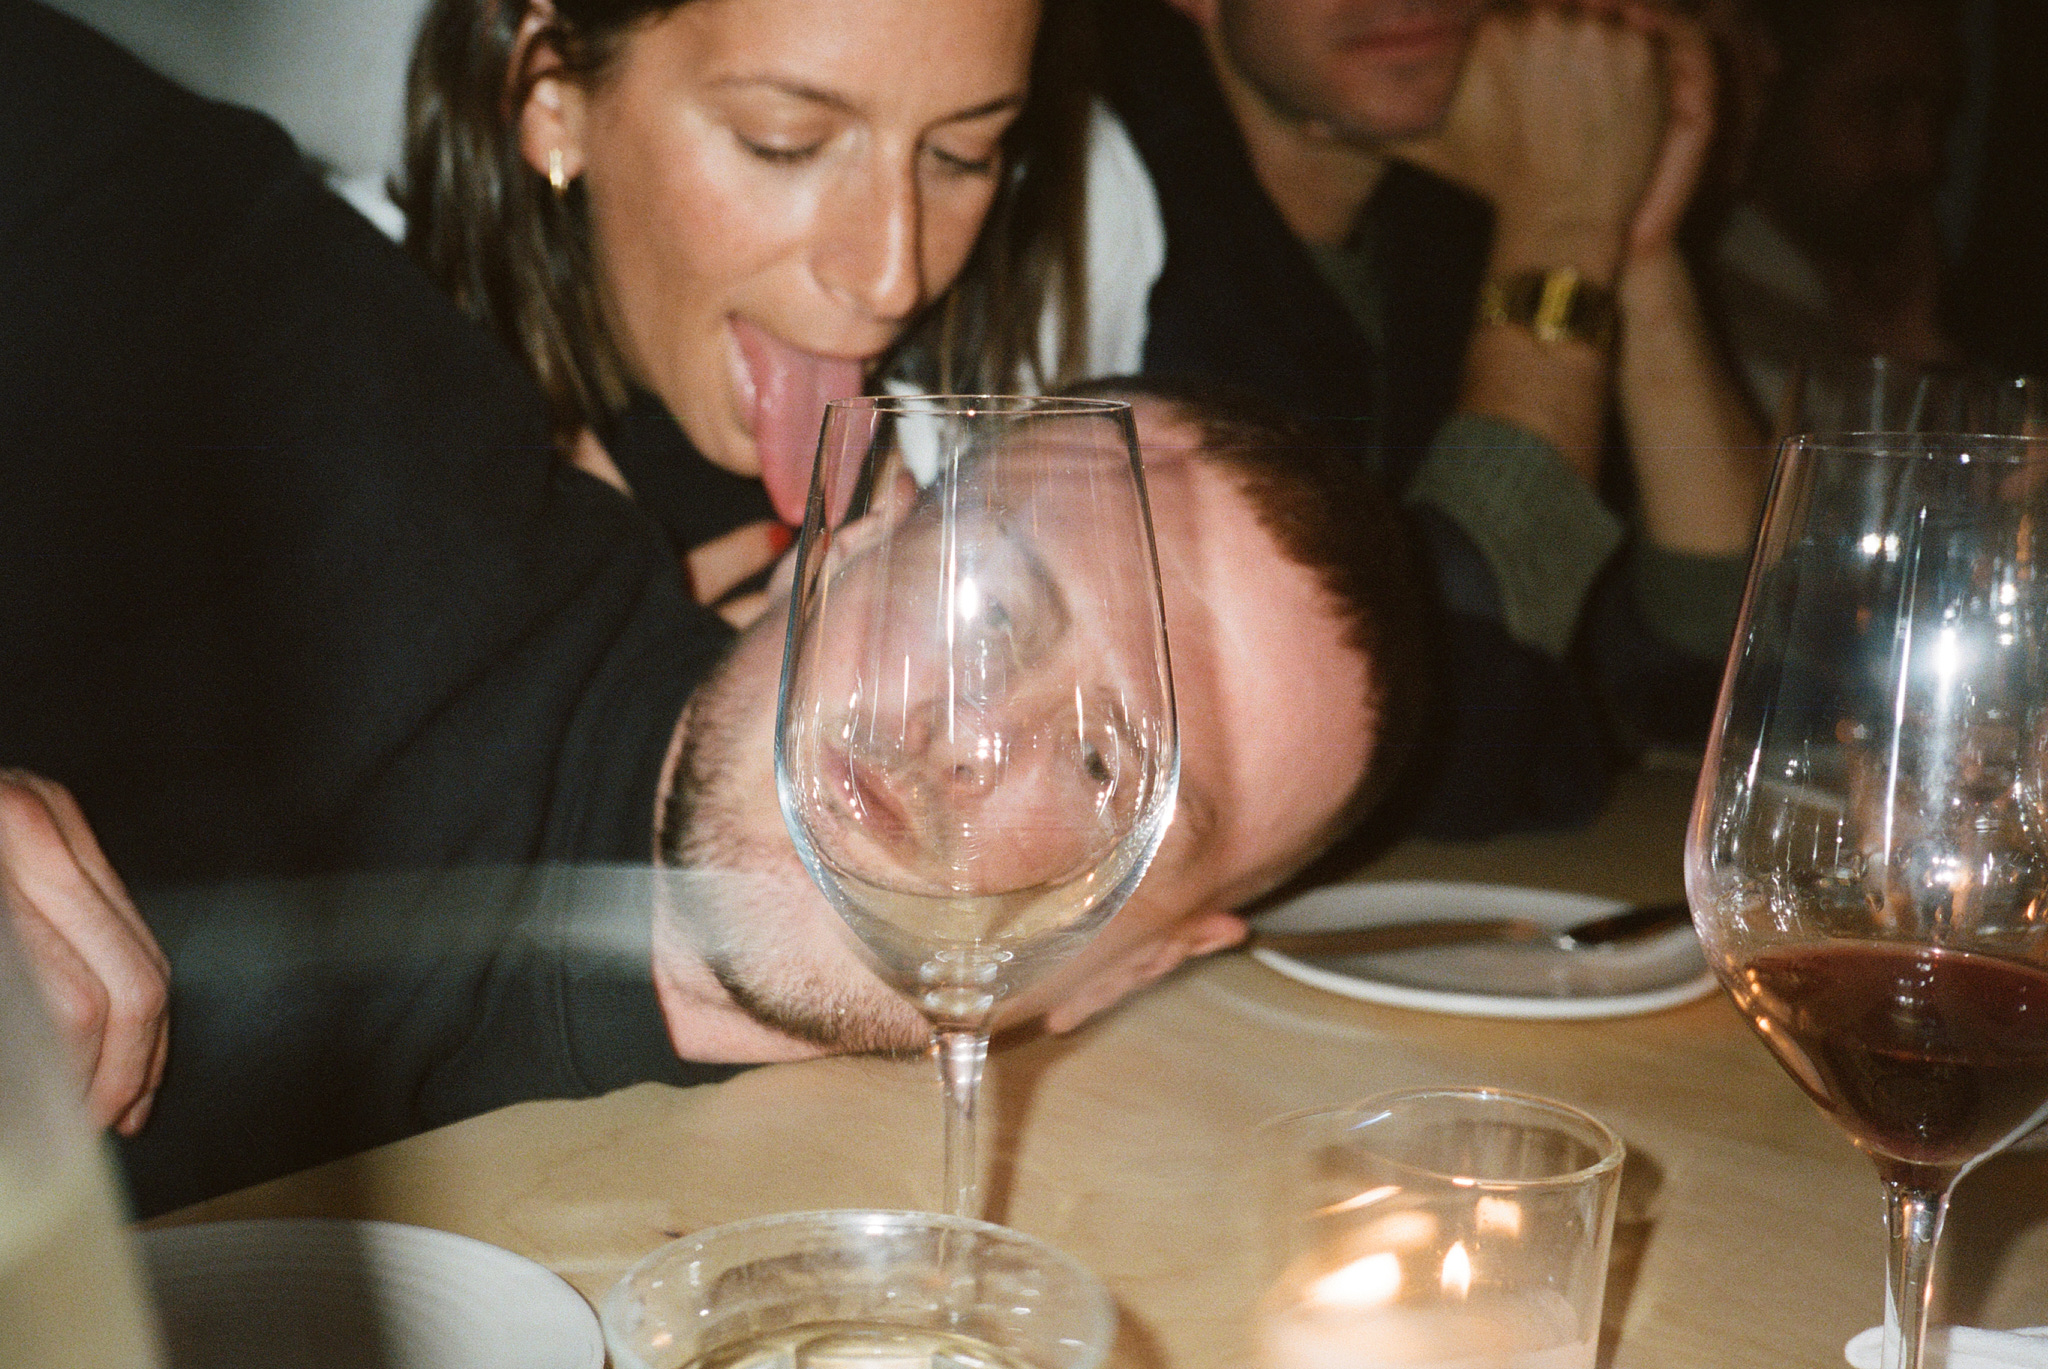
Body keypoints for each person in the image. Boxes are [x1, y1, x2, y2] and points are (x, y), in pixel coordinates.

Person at [3, 0, 1420, 1210]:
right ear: (860, 527)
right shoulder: (344, 432)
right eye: (996, 614)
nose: (970, 741)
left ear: (1132, 966)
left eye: (1107, 761)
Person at [1071, 0, 1770, 837]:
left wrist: (1633, 236)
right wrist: (1568, 225)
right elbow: (1431, 752)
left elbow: (1730, 689)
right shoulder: (1101, 226)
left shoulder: (1445, 224)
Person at [401, 0, 1091, 624]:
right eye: (783, 142)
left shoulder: (977, 480)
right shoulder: (362, 456)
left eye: (962, 154)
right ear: (549, 97)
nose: (893, 282)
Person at [1707, 0, 1967, 423]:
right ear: (1776, 98)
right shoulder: (1716, 312)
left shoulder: (1870, 302)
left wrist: (1915, 345)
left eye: (1937, 117)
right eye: (1880, 108)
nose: (1922, 157)